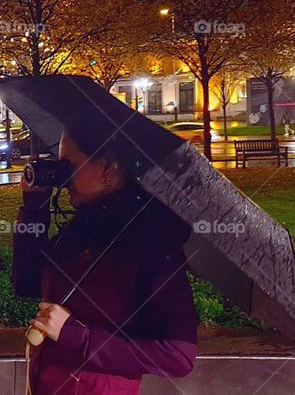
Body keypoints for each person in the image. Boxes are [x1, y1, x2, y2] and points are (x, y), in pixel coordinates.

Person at [14, 131, 198, 394]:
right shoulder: (84, 227)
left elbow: (177, 356)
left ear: (109, 171)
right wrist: (34, 209)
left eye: (69, 166)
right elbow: (29, 283)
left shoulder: (147, 243)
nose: (63, 178)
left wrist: (80, 337)